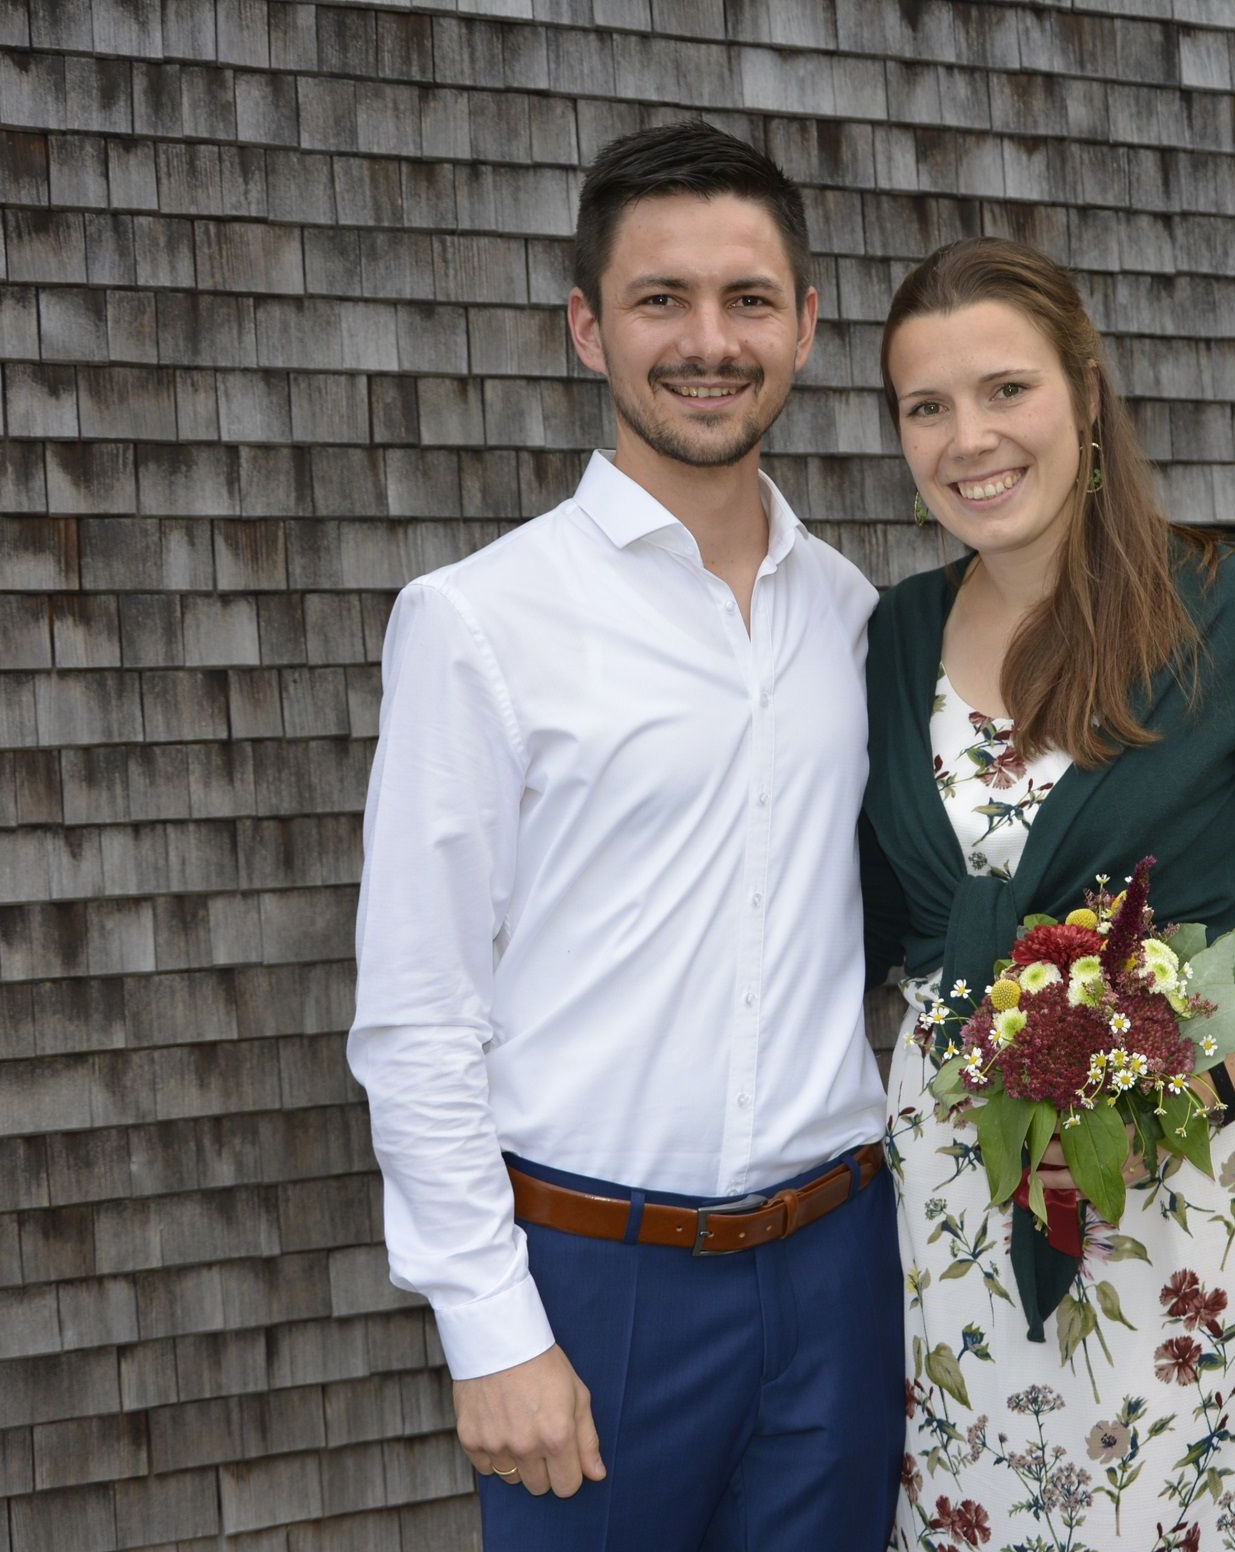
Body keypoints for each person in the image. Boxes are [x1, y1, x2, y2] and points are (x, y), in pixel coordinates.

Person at [346, 121, 902, 1552]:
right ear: (588, 328)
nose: (709, 342)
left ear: (805, 326)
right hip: (598, 1285)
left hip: (843, 1270)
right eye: (663, 299)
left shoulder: (855, 617)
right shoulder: (478, 620)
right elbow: (417, 1012)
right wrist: (490, 1325)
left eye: (747, 299)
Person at [862, 237, 1235, 1552]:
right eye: (926, 407)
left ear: (1085, 392)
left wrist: (1186, 1088)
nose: (967, 440)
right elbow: (866, 925)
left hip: (1175, 1203)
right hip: (953, 1206)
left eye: (1005, 389)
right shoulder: (890, 639)